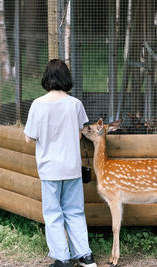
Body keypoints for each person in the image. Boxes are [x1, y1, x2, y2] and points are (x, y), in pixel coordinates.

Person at [24, 59, 97, 267]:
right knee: (74, 210)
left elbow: (29, 137)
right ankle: (85, 255)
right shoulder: (75, 104)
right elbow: (80, 132)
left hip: (49, 169)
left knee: (53, 213)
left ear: (46, 78)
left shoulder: (38, 105)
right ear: (66, 78)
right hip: (71, 167)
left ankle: (62, 258)